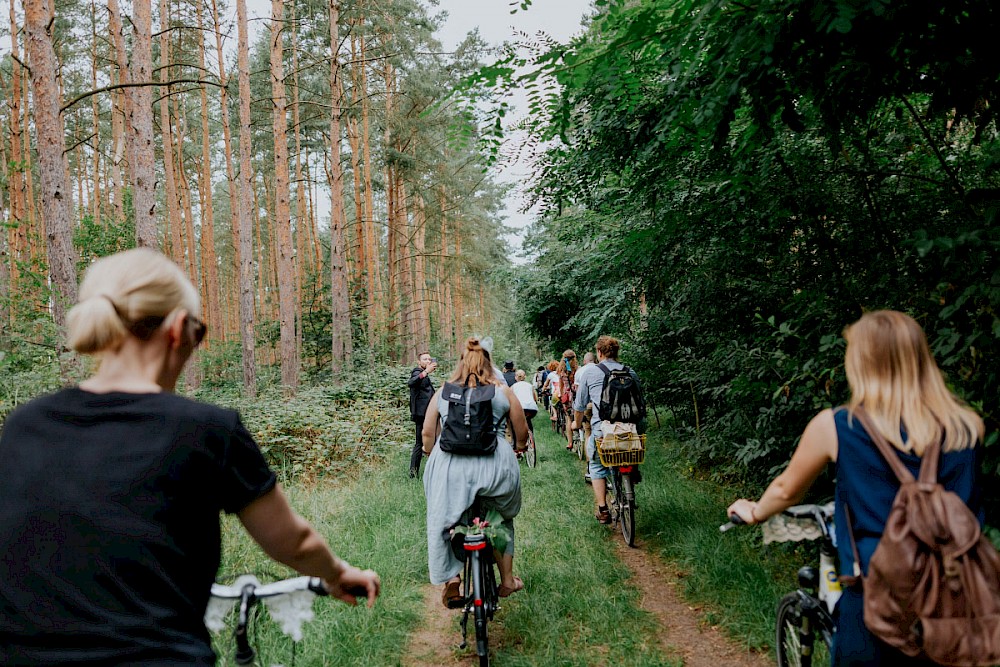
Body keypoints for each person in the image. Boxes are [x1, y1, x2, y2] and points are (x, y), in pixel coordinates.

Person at [0, 249, 380, 666]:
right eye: (199, 334)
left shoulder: (22, 426)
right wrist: (336, 573)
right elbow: (295, 542)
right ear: (179, 329)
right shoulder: (206, 429)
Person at [727, 310, 984, 666]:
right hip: (953, 603)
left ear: (862, 364)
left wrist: (755, 511)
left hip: (876, 604)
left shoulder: (836, 426)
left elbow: (787, 489)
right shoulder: (967, 428)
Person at [422, 337, 528, 608]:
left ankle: (453, 579)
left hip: (451, 470)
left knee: (443, 519)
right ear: (489, 364)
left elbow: (427, 433)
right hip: (495, 469)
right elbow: (522, 431)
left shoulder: (443, 391)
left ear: (461, 363)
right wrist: (518, 447)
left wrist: (430, 452)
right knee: (501, 518)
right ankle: (506, 580)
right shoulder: (503, 391)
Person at [572, 336, 643, 523]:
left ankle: (603, 510)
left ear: (599, 353)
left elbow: (579, 406)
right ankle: (632, 470)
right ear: (617, 352)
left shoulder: (590, 373)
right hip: (630, 429)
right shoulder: (630, 372)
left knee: (596, 465)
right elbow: (640, 402)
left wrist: (576, 424)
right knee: (630, 450)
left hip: (603, 430)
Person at [407, 351, 437, 479]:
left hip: (428, 414)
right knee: (419, 444)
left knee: (430, 442)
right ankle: (413, 474)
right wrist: (426, 372)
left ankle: (432, 472)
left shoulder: (424, 375)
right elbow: (411, 382)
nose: (428, 361)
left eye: (429, 359)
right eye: (425, 359)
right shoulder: (417, 372)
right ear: (419, 362)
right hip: (421, 415)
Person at [558, 349, 579, 451]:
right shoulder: (577, 370)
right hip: (576, 395)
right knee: (578, 415)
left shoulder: (562, 372)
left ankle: (570, 442)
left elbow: (561, 387)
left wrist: (561, 396)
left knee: (568, 419)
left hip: (567, 397)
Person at [511, 369, 540, 435]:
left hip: (520, 408)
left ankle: (517, 440)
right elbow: (535, 399)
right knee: (528, 420)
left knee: (516, 423)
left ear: (516, 377)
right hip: (532, 408)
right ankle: (531, 438)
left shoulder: (513, 387)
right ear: (525, 377)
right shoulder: (530, 386)